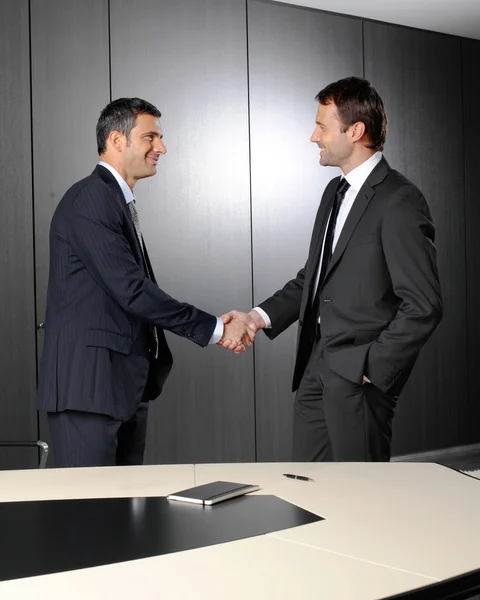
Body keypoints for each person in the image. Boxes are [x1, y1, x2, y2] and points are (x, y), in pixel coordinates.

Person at [222, 77, 442, 462]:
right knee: (307, 490)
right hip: (315, 366)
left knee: (361, 500)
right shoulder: (333, 193)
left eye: (322, 126)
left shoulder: (400, 200)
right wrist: (256, 318)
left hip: (358, 376)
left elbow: (423, 305)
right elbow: (314, 278)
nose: (313, 136)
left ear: (355, 130)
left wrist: (372, 368)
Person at [37, 97, 253, 468]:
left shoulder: (114, 201)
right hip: (89, 391)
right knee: (89, 518)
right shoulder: (91, 199)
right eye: (150, 137)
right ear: (117, 141)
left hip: (121, 389)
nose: (162, 148)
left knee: (121, 517)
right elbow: (132, 290)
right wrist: (216, 329)